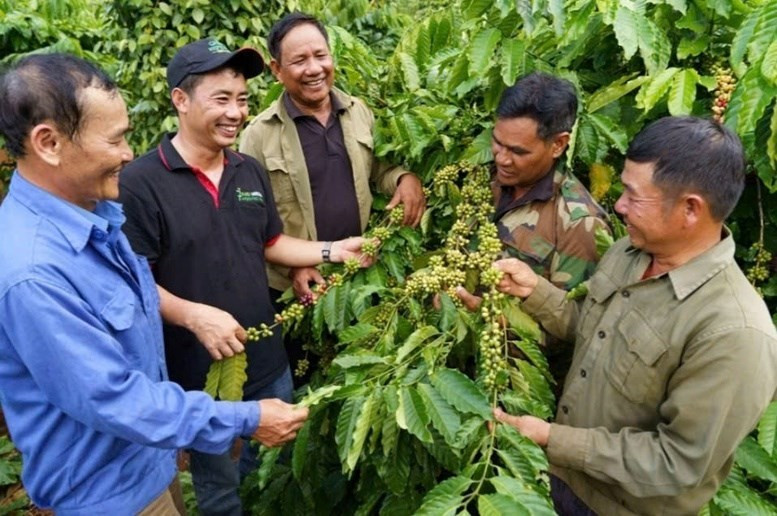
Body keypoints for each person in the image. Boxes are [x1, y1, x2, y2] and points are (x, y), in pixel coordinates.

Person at [0, 53, 308, 515]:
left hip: (149, 466)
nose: (128, 153)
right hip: (109, 495)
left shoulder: (98, 215)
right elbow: (114, 398)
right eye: (117, 139)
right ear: (49, 142)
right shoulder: (33, 272)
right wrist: (246, 417)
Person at [118, 38, 370, 515]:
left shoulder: (248, 170)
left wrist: (333, 251)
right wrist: (193, 316)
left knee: (278, 476)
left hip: (269, 363)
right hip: (201, 381)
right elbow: (135, 284)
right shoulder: (140, 183)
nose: (235, 112)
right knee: (221, 489)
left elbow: (270, 243)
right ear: (180, 100)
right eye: (221, 99)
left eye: (242, 100)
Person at [493, 116, 777, 515]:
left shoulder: (734, 332)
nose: (619, 205)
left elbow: (677, 463)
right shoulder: (628, 252)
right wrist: (534, 292)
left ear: (690, 209)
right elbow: (591, 332)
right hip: (559, 479)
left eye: (632, 194)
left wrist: (552, 438)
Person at [238, 12, 426, 378]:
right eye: (299, 61)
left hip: (358, 277)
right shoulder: (258, 135)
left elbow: (379, 170)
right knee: (304, 379)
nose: (314, 69)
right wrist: (293, 264)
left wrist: (404, 178)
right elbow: (251, 223)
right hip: (294, 289)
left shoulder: (358, 113)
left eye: (320, 55)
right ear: (277, 70)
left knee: (356, 372)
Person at [456, 72, 610, 387]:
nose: (501, 157)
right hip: (462, 366)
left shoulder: (580, 223)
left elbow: (581, 328)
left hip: (518, 387)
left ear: (558, 144)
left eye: (518, 152)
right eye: (496, 142)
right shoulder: (487, 183)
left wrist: (491, 319)